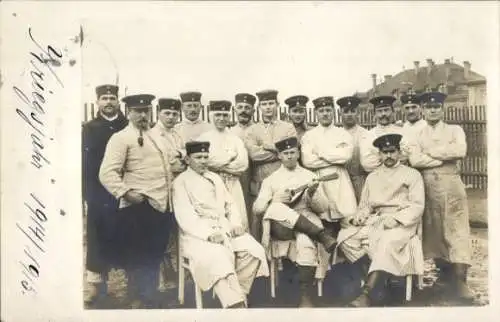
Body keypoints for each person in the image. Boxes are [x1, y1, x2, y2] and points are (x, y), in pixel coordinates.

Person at [99, 94, 175, 308]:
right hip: (138, 207)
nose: (143, 115)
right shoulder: (121, 138)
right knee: (137, 254)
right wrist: (126, 193)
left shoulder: (156, 135)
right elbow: (107, 173)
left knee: (154, 252)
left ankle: (148, 294)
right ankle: (137, 299)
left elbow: (166, 163)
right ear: (129, 113)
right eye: (137, 111)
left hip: (160, 205)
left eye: (146, 111)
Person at [172, 141, 269, 309]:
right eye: (198, 157)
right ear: (188, 159)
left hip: (224, 228)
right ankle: (234, 304)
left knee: (254, 250)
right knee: (217, 255)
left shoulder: (214, 177)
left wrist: (235, 224)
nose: (203, 161)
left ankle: (239, 292)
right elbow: (185, 215)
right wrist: (208, 234)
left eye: (205, 157)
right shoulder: (181, 182)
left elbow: (230, 204)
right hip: (196, 235)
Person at [336, 134, 425, 307]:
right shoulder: (373, 177)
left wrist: (397, 219)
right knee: (345, 238)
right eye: (385, 152)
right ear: (380, 154)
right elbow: (365, 205)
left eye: (392, 152)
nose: (389, 156)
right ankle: (377, 279)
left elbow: (417, 206)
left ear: (399, 152)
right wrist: (360, 216)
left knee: (386, 241)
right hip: (377, 220)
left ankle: (368, 293)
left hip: (402, 222)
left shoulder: (412, 175)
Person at [253, 136, 338, 307]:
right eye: (286, 153)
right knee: (277, 208)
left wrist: (313, 193)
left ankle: (305, 296)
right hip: (281, 226)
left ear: (298, 153)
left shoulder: (310, 176)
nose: (290, 156)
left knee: (305, 242)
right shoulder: (271, 179)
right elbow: (257, 208)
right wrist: (274, 199)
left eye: (293, 152)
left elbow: (322, 208)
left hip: (305, 221)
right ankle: (322, 235)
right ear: (279, 156)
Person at [407, 92, 473, 301]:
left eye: (436, 107)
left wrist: (431, 152)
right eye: (428, 107)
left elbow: (460, 150)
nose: (433, 110)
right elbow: (415, 160)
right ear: (423, 110)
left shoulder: (455, 130)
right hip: (427, 186)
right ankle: (444, 279)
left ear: (442, 109)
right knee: (435, 232)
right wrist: (443, 156)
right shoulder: (417, 134)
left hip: (451, 185)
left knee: (457, 230)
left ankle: (461, 282)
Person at [82, 84, 128, 305]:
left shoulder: (126, 125)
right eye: (104, 98)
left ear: (118, 101)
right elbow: (84, 163)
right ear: (97, 102)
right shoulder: (89, 128)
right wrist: (85, 193)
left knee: (124, 233)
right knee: (97, 234)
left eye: (112, 98)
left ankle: (126, 285)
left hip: (124, 189)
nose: (108, 102)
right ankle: (95, 284)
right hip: (98, 192)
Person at [301, 96, 357, 240]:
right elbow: (308, 161)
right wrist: (333, 156)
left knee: (347, 221)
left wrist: (320, 152)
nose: (325, 113)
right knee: (324, 223)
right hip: (320, 180)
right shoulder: (309, 136)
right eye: (321, 111)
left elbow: (345, 157)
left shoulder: (343, 134)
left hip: (340, 180)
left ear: (333, 112)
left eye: (328, 110)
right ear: (316, 113)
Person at [244, 89, 296, 239]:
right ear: (259, 107)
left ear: (277, 105)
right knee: (258, 225)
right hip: (259, 183)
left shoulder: (288, 127)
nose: (268, 107)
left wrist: (266, 146)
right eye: (264, 104)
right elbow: (254, 156)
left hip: (283, 182)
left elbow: (290, 154)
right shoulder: (252, 130)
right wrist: (279, 150)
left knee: (283, 223)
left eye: (271, 103)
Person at [151, 97, 186, 292]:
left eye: (174, 114)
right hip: (160, 189)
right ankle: (160, 279)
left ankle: (176, 273)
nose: (171, 117)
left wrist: (179, 155)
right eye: (167, 113)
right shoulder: (152, 134)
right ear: (158, 113)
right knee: (159, 233)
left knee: (175, 232)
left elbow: (184, 155)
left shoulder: (177, 134)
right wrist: (178, 156)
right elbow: (164, 159)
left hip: (177, 188)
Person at [197, 100, 249, 231]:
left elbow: (242, 165)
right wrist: (230, 157)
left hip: (233, 184)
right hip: (212, 183)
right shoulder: (203, 138)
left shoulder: (235, 139)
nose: (221, 118)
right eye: (217, 115)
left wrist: (219, 164)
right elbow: (205, 162)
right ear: (211, 116)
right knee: (215, 219)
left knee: (237, 219)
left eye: (225, 115)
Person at [229, 93, 257, 228]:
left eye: (247, 107)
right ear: (235, 110)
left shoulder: (258, 130)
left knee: (255, 214)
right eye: (240, 107)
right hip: (238, 178)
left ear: (253, 110)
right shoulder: (230, 132)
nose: (243, 110)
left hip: (256, 176)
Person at [360, 95, 407, 172]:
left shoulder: (402, 132)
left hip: (401, 176)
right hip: (378, 178)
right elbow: (367, 164)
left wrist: (379, 156)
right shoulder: (368, 135)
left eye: (386, 110)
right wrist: (394, 158)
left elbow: (406, 156)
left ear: (393, 111)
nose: (383, 114)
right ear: (374, 114)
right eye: (379, 111)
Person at [337, 96, 370, 203]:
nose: (350, 114)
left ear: (358, 113)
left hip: (361, 179)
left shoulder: (366, 134)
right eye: (346, 111)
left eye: (353, 111)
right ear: (340, 113)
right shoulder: (335, 134)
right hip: (341, 181)